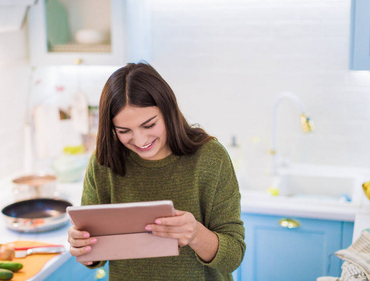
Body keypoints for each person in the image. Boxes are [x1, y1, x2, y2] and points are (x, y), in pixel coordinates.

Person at [68, 62, 245, 280]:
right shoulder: (103, 163)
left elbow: (233, 257)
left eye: (149, 125)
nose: (140, 140)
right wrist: (83, 247)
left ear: (168, 111)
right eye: (124, 131)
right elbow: (94, 254)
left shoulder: (210, 158)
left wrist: (195, 234)